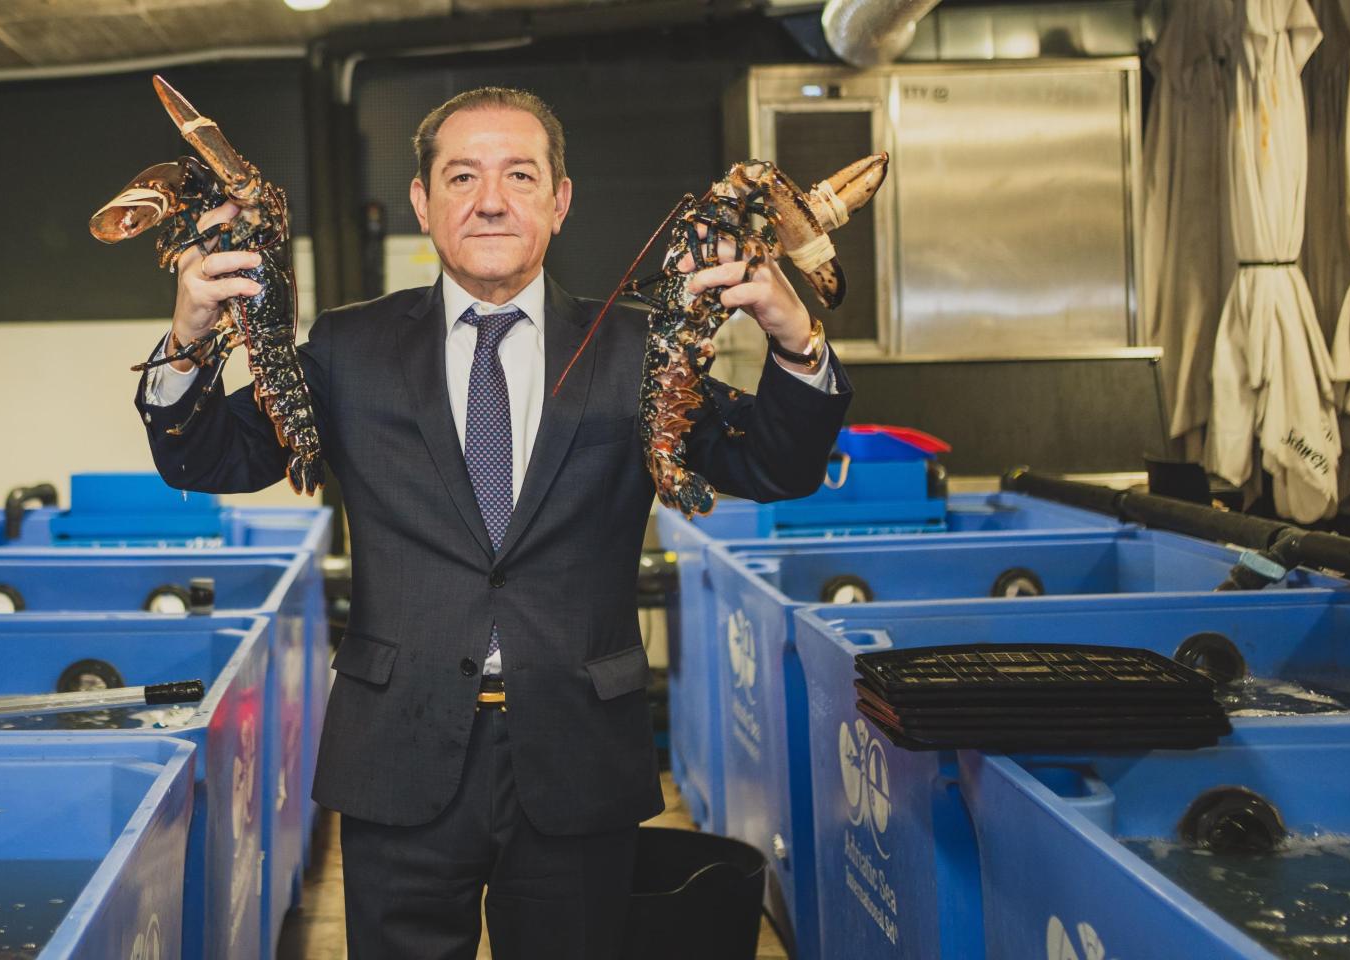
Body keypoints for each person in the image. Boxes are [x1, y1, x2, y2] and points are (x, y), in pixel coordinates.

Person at [136, 87, 850, 960]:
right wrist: (186, 339)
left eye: (520, 174)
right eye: (462, 174)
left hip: (578, 749)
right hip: (398, 747)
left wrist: (795, 341)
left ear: (561, 199)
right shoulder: (348, 345)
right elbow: (206, 459)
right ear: (422, 203)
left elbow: (777, 465)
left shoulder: (639, 348)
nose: (490, 199)